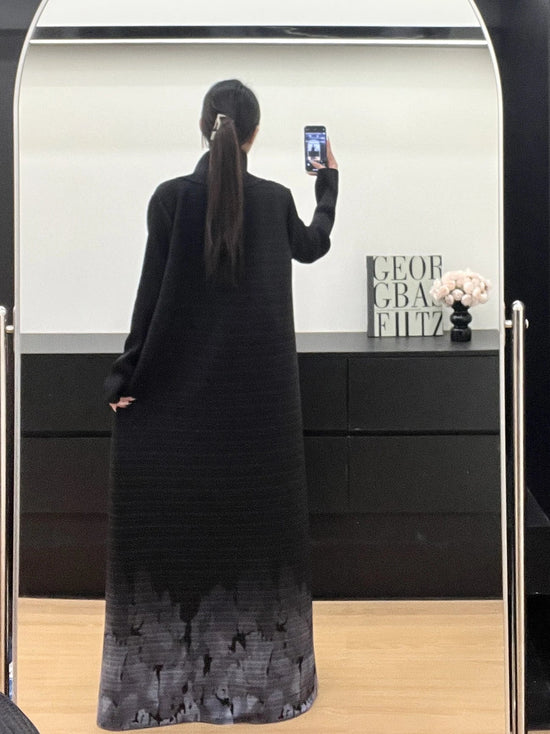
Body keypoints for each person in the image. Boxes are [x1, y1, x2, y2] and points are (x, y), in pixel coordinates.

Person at [97, 78, 338, 729]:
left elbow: (150, 298)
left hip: (183, 410)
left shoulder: (170, 198)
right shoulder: (276, 200)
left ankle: (168, 692)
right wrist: (328, 183)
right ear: (254, 134)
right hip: (261, 417)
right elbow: (314, 245)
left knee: (181, 539)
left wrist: (125, 376)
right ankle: (259, 689)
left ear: (205, 126)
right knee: (254, 543)